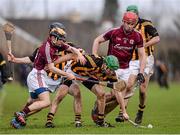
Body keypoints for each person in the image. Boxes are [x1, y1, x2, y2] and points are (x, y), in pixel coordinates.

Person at [8, 22, 86, 129]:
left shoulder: (59, 44)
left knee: (37, 103)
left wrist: (79, 54)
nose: (62, 41)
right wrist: (67, 74)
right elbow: (43, 64)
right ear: (53, 35)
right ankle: (21, 114)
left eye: (63, 38)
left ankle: (18, 118)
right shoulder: (46, 48)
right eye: (60, 38)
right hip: (41, 75)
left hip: (50, 77)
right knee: (43, 102)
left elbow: (74, 49)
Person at [91, 11, 146, 123]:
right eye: (128, 23)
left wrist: (141, 72)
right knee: (118, 93)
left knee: (118, 97)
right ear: (123, 22)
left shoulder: (137, 36)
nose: (130, 26)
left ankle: (100, 106)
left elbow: (142, 55)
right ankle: (100, 115)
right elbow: (97, 40)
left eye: (132, 24)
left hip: (126, 69)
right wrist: (95, 56)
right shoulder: (114, 32)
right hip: (112, 68)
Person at [114, 5, 160, 124]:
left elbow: (157, 38)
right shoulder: (125, 26)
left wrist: (143, 46)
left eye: (132, 15)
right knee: (128, 85)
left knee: (142, 90)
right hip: (133, 60)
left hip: (147, 58)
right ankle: (121, 112)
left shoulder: (146, 24)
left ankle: (141, 110)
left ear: (137, 15)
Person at [55, 53, 128, 127]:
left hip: (86, 75)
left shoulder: (112, 75)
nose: (112, 72)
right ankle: (52, 120)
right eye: (110, 69)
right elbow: (72, 55)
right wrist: (54, 64)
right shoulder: (93, 61)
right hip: (71, 71)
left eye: (113, 70)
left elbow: (118, 92)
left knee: (101, 94)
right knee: (71, 94)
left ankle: (100, 121)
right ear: (105, 65)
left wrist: (124, 112)